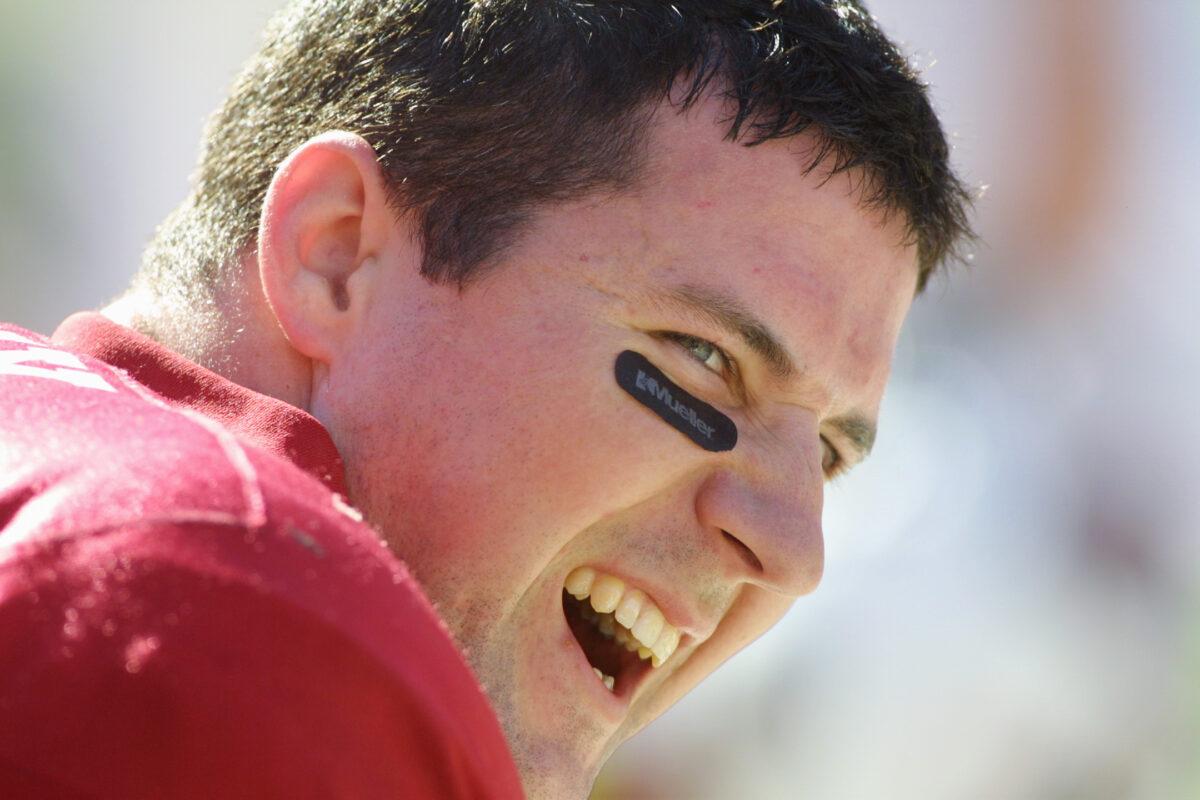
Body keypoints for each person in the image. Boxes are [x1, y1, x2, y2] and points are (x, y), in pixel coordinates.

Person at [0, 1, 974, 798]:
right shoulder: (249, 615)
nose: (795, 552)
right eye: (702, 358)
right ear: (336, 253)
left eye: (831, 456)